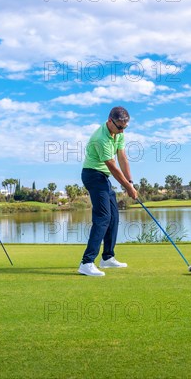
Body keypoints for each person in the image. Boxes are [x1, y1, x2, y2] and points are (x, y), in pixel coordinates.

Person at [78, 106, 138, 276]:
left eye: (125, 128)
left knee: (114, 215)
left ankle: (107, 258)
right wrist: (127, 187)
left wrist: (131, 183)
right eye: (119, 127)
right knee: (103, 217)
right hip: (92, 175)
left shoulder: (118, 132)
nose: (121, 131)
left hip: (103, 177)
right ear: (109, 121)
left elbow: (122, 158)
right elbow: (112, 166)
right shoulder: (100, 138)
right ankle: (87, 262)